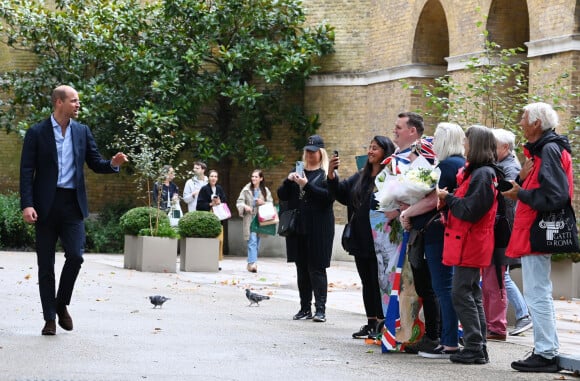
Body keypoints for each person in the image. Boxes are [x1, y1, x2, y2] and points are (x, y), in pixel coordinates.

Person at [19, 85, 128, 335]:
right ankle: (49, 319)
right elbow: (26, 172)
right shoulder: (37, 132)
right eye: (74, 100)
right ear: (59, 102)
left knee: (76, 256)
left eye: (78, 101)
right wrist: (27, 204)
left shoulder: (82, 131)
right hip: (45, 205)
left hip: (72, 204)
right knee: (45, 265)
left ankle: (60, 303)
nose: (78, 105)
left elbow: (95, 162)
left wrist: (112, 164)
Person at [504, 102, 574, 373]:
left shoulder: (548, 149)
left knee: (537, 293)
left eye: (524, 118)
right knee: (537, 292)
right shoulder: (548, 149)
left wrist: (520, 193)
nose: (521, 122)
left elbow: (557, 195)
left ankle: (546, 353)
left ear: (536, 123)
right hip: (534, 229)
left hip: (536, 230)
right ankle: (545, 349)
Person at [437, 124, 499, 365]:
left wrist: (447, 198)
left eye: (467, 142)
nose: (464, 145)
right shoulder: (481, 173)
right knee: (471, 293)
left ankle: (475, 346)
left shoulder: (483, 174)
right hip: (470, 241)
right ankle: (478, 346)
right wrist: (449, 203)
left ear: (476, 146)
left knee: (462, 293)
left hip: (471, 242)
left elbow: (471, 210)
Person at [328, 136, 396, 338]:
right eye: (370, 147)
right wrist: (331, 173)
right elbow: (341, 194)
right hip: (360, 238)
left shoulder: (390, 178)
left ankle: (383, 323)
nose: (371, 151)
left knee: (380, 282)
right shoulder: (360, 177)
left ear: (386, 152)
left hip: (381, 241)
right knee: (367, 281)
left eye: (376, 148)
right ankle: (371, 322)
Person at [387, 112, 441, 354]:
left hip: (428, 229)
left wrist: (408, 213)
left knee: (429, 287)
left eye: (399, 127)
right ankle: (414, 332)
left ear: (413, 131)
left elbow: (432, 198)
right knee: (419, 286)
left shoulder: (429, 156)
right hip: (414, 227)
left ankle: (434, 336)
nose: (395, 131)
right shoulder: (400, 157)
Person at [410, 122, 466, 359]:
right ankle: (450, 339)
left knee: (443, 288)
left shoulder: (445, 167)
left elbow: (433, 200)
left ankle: (449, 342)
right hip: (452, 233)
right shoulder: (462, 164)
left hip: (438, 235)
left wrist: (408, 212)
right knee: (448, 288)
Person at [277, 135, 335, 323]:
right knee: (301, 268)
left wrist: (306, 185)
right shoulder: (298, 171)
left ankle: (320, 309)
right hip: (298, 227)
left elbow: (327, 198)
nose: (310, 155)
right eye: (307, 152)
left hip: (319, 228)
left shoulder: (327, 174)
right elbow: (282, 195)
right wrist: (288, 180)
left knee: (317, 268)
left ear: (321, 153)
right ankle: (304, 308)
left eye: (314, 152)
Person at [482, 128, 527, 342]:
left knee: (498, 279)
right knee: (493, 279)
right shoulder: (501, 166)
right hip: (497, 230)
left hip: (502, 232)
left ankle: (500, 325)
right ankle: (494, 323)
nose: (490, 150)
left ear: (505, 148)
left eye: (494, 146)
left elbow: (507, 199)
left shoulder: (510, 169)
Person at [236, 169, 273, 273]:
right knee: (252, 240)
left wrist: (263, 202)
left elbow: (270, 203)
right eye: (252, 176)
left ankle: (250, 263)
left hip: (260, 219)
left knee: (256, 242)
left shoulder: (265, 190)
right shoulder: (246, 189)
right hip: (249, 219)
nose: (253, 178)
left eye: (256, 177)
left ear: (261, 178)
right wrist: (245, 207)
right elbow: (239, 202)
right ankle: (253, 263)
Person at [197, 169, 228, 261]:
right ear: (208, 178)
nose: (213, 178)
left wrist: (219, 201)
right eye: (212, 176)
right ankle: (207, 259)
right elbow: (199, 205)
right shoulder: (204, 189)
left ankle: (216, 260)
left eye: (215, 176)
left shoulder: (219, 189)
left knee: (219, 239)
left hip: (218, 218)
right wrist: (210, 204)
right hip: (208, 217)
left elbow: (225, 201)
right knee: (209, 238)